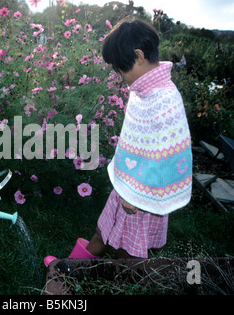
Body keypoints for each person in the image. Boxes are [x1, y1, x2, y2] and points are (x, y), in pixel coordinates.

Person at [44, 17, 192, 265]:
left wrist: (136, 195)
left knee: (126, 252)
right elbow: (137, 140)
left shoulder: (165, 97)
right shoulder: (144, 90)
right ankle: (67, 270)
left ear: (138, 56)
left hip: (143, 195)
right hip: (127, 186)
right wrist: (128, 188)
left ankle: (119, 284)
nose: (119, 75)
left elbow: (168, 156)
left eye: (120, 68)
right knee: (103, 231)